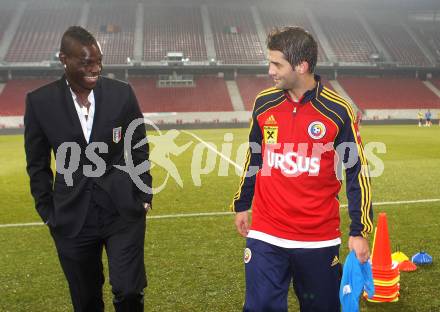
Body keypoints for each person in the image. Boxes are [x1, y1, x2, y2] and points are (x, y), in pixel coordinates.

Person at [231, 26, 373, 312]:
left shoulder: (338, 110)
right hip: (267, 232)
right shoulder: (264, 102)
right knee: (259, 308)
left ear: (301, 65)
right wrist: (242, 203)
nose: (270, 70)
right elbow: (254, 156)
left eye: (276, 64)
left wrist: (359, 230)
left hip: (317, 237)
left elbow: (356, 171)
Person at [24, 26, 152, 312]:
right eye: (86, 63)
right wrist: (47, 212)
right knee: (86, 302)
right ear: (64, 59)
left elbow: (139, 144)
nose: (95, 68)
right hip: (71, 216)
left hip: (122, 211)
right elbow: (37, 164)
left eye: (98, 61)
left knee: (130, 291)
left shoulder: (122, 94)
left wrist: (144, 192)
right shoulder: (39, 102)